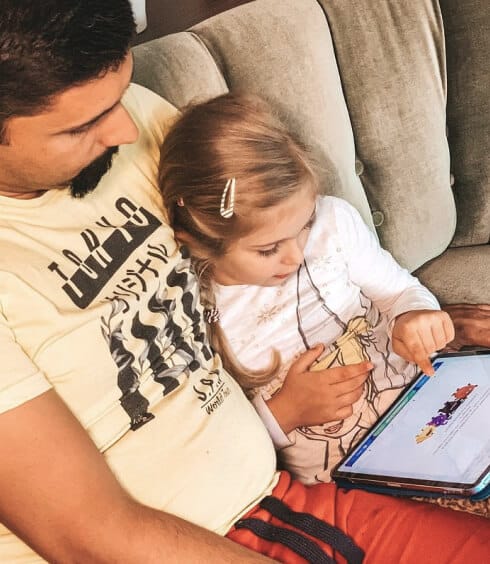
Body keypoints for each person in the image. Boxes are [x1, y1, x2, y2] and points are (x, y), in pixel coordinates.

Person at [0, 2, 488, 563]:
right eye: (82, 126)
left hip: (288, 488)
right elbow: (89, 535)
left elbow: (248, 197)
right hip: (212, 527)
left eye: (122, 93)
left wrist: (415, 309)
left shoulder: (134, 115)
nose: (126, 130)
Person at [158, 92, 458, 484]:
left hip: (433, 414)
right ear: (198, 244)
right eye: (268, 249)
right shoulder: (194, 309)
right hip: (352, 483)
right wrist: (286, 411)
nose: (296, 256)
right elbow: (219, 444)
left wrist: (415, 316)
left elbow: (399, 291)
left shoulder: (333, 223)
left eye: (305, 226)